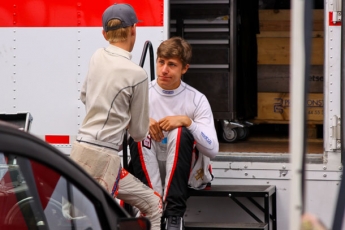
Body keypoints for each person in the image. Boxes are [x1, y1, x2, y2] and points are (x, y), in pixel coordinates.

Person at [69, 3, 162, 230]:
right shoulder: (138, 74)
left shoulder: (96, 56)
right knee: (153, 206)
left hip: (80, 149)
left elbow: (84, 96)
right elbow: (139, 134)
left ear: (104, 34)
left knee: (78, 219)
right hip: (105, 157)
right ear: (133, 30)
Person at [129, 37, 219, 230]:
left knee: (180, 132)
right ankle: (150, 207)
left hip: (185, 173)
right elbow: (118, 142)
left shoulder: (197, 99)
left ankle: (173, 216)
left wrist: (188, 123)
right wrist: (140, 122)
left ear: (184, 68)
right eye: (161, 62)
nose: (164, 70)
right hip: (150, 169)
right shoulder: (141, 94)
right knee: (140, 130)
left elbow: (212, 149)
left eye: (172, 65)